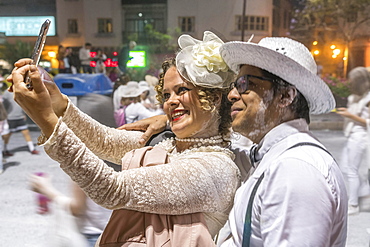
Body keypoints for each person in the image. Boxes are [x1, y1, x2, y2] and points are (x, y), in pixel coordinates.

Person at [9, 31, 240, 246]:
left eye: (181, 91)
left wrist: (46, 119)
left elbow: (112, 189)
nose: (170, 101)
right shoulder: (170, 143)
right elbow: (104, 141)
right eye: (166, 94)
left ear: (214, 97)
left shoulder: (216, 168)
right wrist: (56, 100)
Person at [124, 37, 349, 246]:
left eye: (243, 84)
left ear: (285, 96)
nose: (232, 95)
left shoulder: (294, 169)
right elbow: (221, 147)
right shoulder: (267, 157)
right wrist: (171, 118)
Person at [29, 174, 112, 247]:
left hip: (94, 237)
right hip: (119, 235)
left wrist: (46, 189)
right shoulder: (122, 161)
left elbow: (77, 209)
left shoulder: (82, 164)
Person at [336, 66, 370, 215]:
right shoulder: (356, 96)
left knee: (351, 171)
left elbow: (367, 121)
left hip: (360, 136)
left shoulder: (368, 99)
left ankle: (353, 204)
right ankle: (364, 192)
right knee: (345, 168)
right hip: (351, 135)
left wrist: (350, 116)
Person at [2, 90, 39, 155]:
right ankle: (5, 149)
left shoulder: (21, 91)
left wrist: (24, 114)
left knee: (26, 132)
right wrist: (4, 116)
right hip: (10, 117)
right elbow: (3, 105)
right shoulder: (7, 92)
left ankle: (32, 148)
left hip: (20, 116)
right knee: (8, 134)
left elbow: (23, 103)